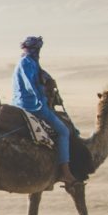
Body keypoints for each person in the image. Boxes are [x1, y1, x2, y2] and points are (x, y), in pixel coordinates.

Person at [13, 36, 75, 184]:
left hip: (24, 103)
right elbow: (31, 86)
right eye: (38, 49)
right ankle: (65, 172)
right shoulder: (27, 63)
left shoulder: (31, 63)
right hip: (32, 106)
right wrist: (43, 97)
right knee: (63, 131)